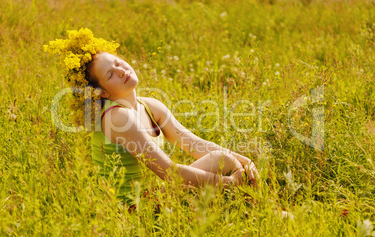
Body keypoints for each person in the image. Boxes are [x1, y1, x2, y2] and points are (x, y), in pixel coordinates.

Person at [45, 28, 259, 206]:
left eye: (118, 63)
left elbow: (194, 144)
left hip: (156, 195)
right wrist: (230, 182)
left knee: (227, 160)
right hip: (132, 209)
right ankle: (262, 211)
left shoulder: (150, 105)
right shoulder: (117, 117)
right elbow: (168, 172)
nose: (121, 71)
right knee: (223, 162)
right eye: (110, 74)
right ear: (103, 92)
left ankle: (261, 211)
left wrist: (246, 162)